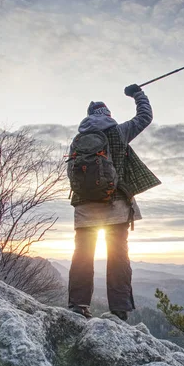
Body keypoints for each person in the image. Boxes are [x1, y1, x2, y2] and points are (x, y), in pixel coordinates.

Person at [67, 84, 161, 320]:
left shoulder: (78, 140)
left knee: (82, 256)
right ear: (108, 115)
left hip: (84, 209)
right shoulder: (119, 132)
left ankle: (78, 305)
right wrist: (137, 94)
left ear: (88, 117)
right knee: (118, 257)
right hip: (116, 207)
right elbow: (145, 116)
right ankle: (119, 310)